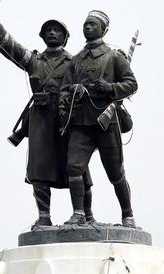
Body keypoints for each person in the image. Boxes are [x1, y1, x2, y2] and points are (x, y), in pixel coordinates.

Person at [0, 0, 93, 228]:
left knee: (77, 166)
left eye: (57, 30)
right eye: (48, 30)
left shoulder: (76, 62)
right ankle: (44, 216)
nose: (52, 33)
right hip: (40, 118)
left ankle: (84, 214)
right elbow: (7, 45)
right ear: (42, 36)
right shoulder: (33, 61)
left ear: (65, 37)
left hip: (66, 117)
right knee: (39, 169)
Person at [58, 10, 138, 227]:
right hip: (81, 122)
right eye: (86, 24)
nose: (88, 27)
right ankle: (79, 213)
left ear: (104, 29)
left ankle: (128, 215)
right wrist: (69, 99)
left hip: (106, 122)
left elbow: (132, 84)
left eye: (93, 24)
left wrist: (109, 88)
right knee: (74, 168)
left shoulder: (114, 57)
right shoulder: (75, 60)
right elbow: (64, 91)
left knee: (115, 172)